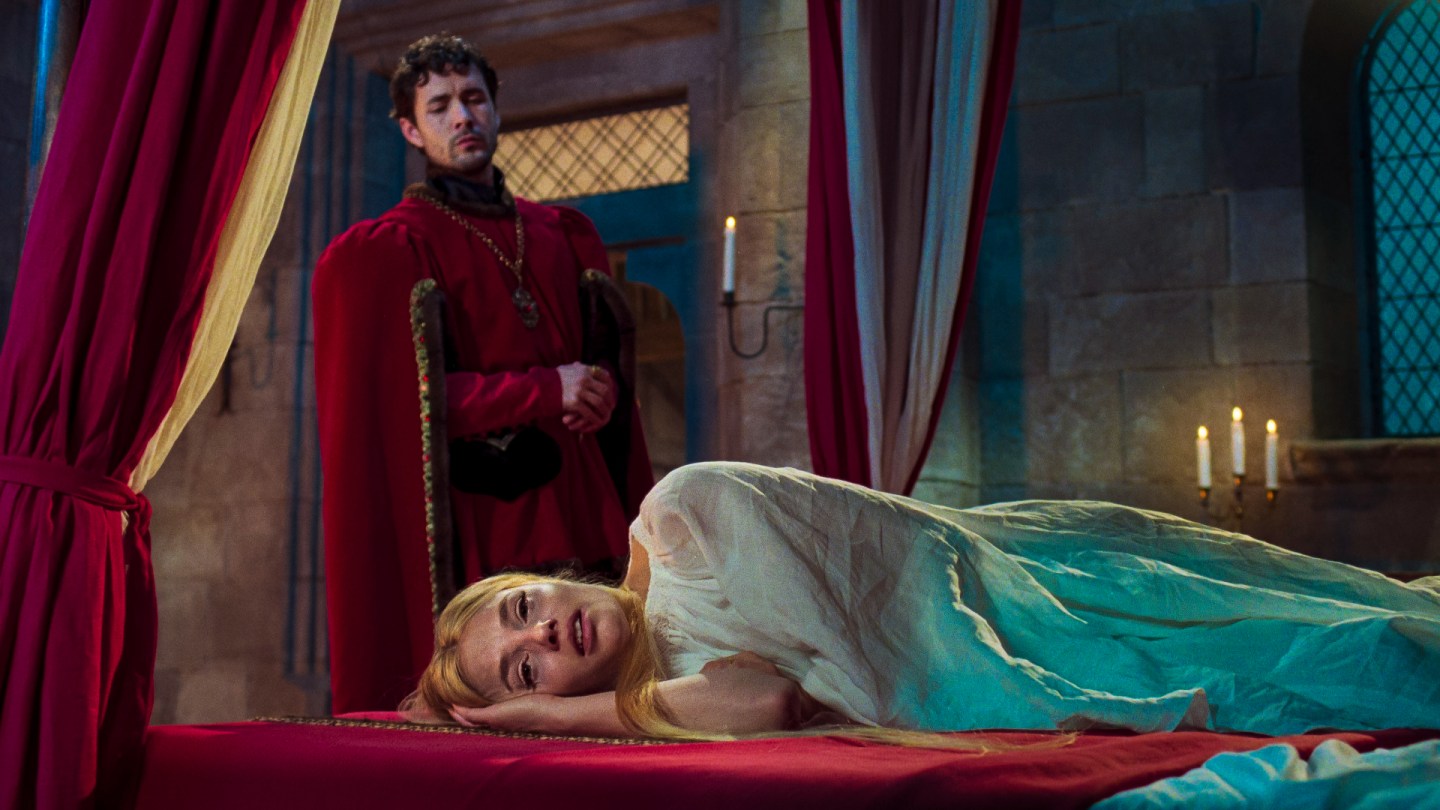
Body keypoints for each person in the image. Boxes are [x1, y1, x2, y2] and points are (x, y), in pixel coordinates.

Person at [404, 462, 1440, 740]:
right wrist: (547, 718)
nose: (546, 631)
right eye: (528, 666)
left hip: (1035, 585)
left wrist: (546, 702)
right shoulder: (675, 683)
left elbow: (876, 642)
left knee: (1345, 638)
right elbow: (765, 702)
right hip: (1028, 603)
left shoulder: (682, 516)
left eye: (524, 606)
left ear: (547, 575)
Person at [313, 34, 652, 714]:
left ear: (496, 108)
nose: (462, 117)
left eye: (473, 98)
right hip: (484, 525)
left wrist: (597, 391)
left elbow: (596, 365)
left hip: (581, 505)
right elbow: (405, 409)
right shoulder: (390, 249)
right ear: (411, 129)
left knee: (611, 698)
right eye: (439, 106)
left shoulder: (560, 233)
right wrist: (547, 388)